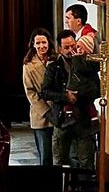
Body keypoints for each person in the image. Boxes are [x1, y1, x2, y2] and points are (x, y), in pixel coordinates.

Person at [41, 30, 101, 168]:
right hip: (63, 120)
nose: (70, 50)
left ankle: (83, 189)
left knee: (86, 161)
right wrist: (65, 96)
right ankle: (62, 189)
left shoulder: (87, 66)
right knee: (60, 161)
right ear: (60, 49)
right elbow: (45, 92)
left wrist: (79, 95)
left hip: (84, 120)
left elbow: (97, 90)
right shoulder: (54, 67)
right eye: (66, 47)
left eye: (73, 46)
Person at [23, 28, 56, 166]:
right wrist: (47, 111)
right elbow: (30, 92)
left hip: (59, 110)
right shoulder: (28, 65)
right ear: (33, 44)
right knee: (46, 156)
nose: (42, 46)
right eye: (38, 43)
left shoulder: (56, 59)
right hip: (41, 115)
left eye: (44, 42)